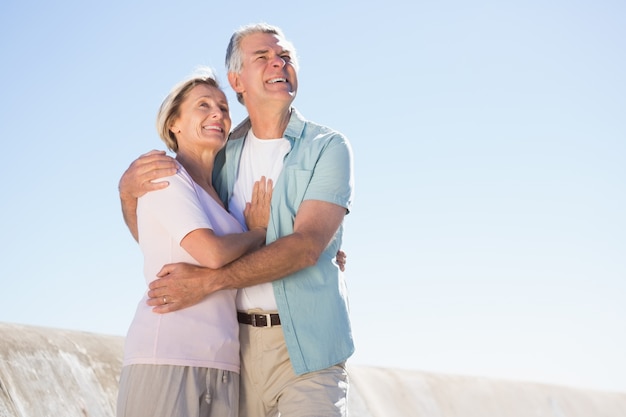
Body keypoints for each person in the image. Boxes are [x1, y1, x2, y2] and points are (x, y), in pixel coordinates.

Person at [119, 23, 355, 417]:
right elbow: (167, 235)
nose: (277, 63)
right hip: (235, 350)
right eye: (261, 57)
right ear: (237, 79)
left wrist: (210, 281)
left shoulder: (326, 148)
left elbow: (306, 246)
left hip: (309, 346)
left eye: (285, 57)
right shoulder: (218, 154)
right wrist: (127, 194)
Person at [117, 68, 273, 417]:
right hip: (167, 355)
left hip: (222, 362)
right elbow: (213, 254)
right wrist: (258, 232)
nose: (218, 113)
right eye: (203, 105)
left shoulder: (222, 198)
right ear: (175, 123)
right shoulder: (165, 175)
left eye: (223, 107)